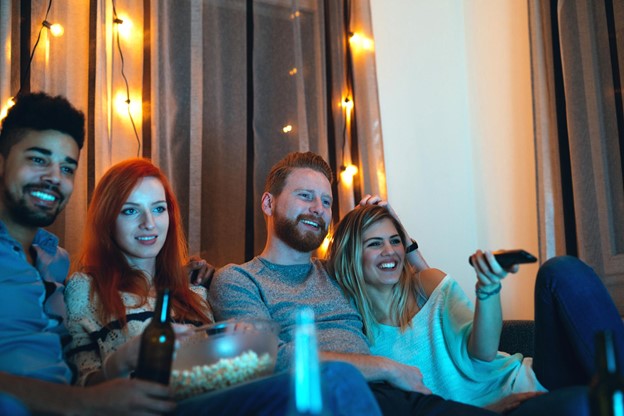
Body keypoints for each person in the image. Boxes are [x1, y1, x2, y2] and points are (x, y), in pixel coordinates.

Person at [64, 157, 382, 415]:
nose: (149, 223)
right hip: (148, 406)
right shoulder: (85, 288)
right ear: (108, 218)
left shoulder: (195, 294)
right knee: (335, 378)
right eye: (131, 210)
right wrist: (124, 360)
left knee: (327, 388)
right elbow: (79, 389)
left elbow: (222, 375)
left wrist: (240, 346)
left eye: (158, 209)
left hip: (211, 403)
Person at [208, 151, 500, 415]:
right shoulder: (238, 279)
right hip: (324, 397)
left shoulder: (339, 274)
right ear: (269, 203)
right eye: (305, 196)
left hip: (387, 395)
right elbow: (269, 359)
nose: (317, 208)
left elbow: (423, 292)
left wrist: (393, 224)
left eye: (326, 201)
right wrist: (386, 367)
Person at [326, 198, 619, 414]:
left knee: (561, 270)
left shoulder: (426, 283)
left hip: (532, 377)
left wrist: (488, 288)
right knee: (583, 404)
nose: (390, 251)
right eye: (374, 244)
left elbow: (482, 352)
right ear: (351, 255)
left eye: (395, 240)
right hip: (508, 409)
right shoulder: (356, 336)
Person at [0, 92, 176, 414]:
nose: (54, 177)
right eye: (38, 159)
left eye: (67, 168)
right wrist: (85, 402)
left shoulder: (55, 261)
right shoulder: (81, 284)